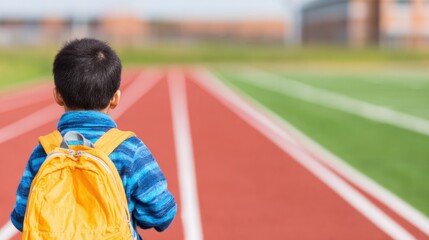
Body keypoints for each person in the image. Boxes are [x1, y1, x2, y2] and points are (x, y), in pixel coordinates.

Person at [10, 38, 177, 239]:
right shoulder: (130, 151)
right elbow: (161, 214)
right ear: (115, 98)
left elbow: (21, 217)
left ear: (57, 96)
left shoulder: (43, 152)